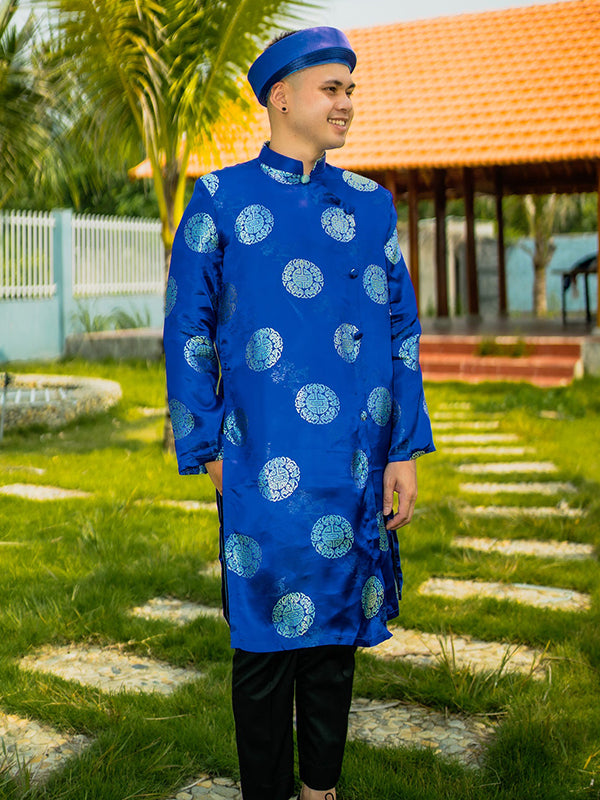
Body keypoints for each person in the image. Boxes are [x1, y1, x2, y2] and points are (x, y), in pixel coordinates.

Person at [163, 26, 434, 800]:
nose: (346, 102)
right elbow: (186, 332)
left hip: (354, 464)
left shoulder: (371, 206)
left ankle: (321, 789)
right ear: (281, 97)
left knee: (334, 638)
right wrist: (209, 448)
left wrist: (401, 451)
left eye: (351, 89)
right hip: (259, 460)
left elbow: (402, 331)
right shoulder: (220, 201)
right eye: (331, 88)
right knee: (263, 643)